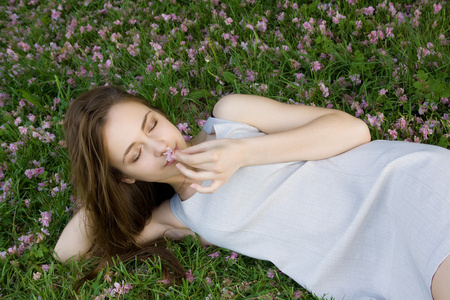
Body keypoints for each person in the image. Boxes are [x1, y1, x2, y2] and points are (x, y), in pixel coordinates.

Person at [55, 86, 450, 300]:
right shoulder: (176, 216)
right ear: (125, 177)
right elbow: (66, 252)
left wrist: (242, 153)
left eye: (152, 123)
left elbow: (353, 131)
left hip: (403, 190)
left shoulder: (229, 118)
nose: (160, 146)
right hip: (368, 265)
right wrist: (99, 184)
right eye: (136, 153)